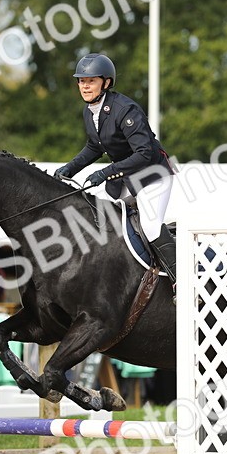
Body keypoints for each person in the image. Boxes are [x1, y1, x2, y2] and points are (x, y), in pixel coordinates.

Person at [54, 52, 178, 283]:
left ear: (106, 82)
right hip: (125, 179)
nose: (84, 86)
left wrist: (105, 172)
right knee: (91, 211)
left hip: (153, 175)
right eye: (81, 81)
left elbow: (144, 153)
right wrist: (69, 169)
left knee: (150, 227)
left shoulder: (125, 109)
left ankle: (180, 280)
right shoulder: (90, 112)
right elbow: (95, 146)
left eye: (90, 81)